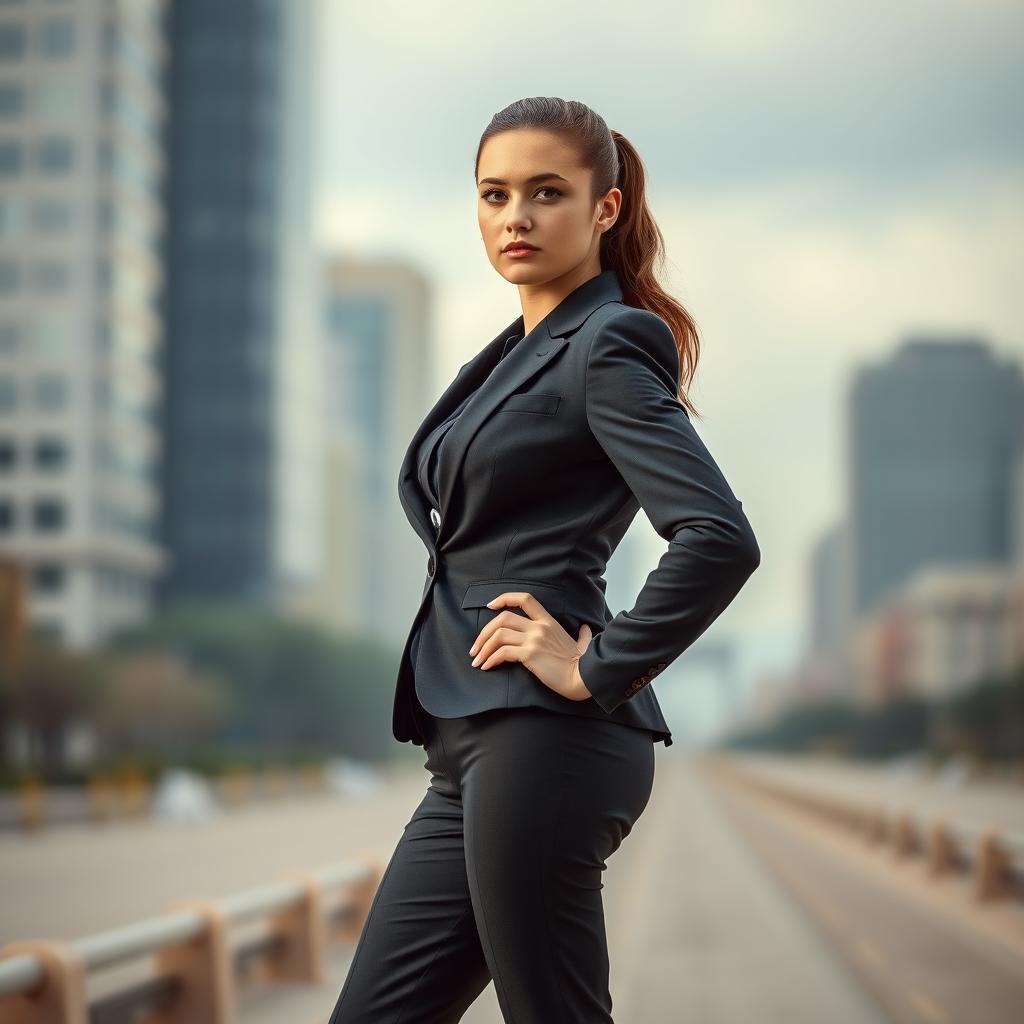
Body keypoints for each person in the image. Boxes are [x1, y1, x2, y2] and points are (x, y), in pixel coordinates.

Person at [328, 96, 760, 1023]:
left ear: (604, 209)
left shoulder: (607, 343)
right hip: (472, 738)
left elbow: (719, 537)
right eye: (494, 194)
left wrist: (593, 663)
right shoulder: (512, 355)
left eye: (546, 192)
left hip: (545, 737)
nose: (515, 216)